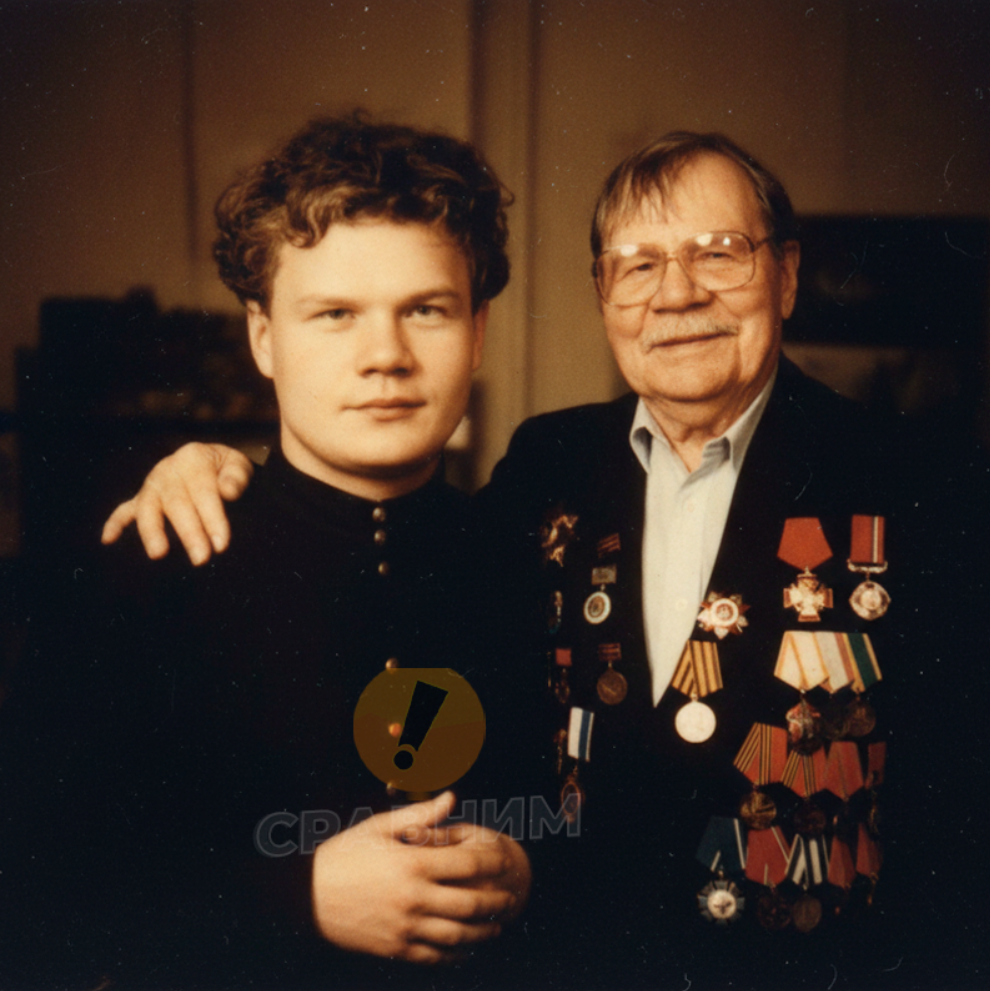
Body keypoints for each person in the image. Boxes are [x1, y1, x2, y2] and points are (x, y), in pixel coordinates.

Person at [102, 132, 986, 988]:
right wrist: (216, 468)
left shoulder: (932, 491)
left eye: (719, 254)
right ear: (603, 292)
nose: (676, 294)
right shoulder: (548, 472)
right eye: (637, 264)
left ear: (787, 274)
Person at [0, 115, 532, 989]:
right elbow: (27, 903)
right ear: (262, 337)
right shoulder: (148, 563)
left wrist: (536, 872)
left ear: (476, 332)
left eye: (425, 310)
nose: (386, 356)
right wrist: (298, 896)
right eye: (334, 315)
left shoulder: (529, 557)